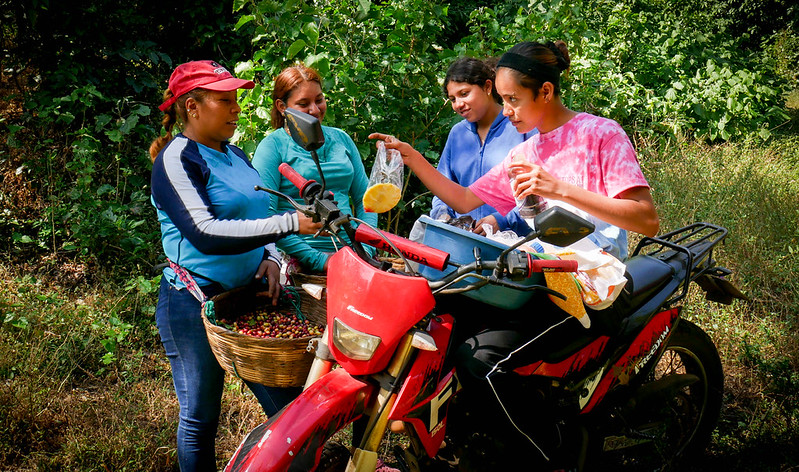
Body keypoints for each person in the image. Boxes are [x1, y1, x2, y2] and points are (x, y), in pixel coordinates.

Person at [370, 41, 659, 466]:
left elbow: (646, 219)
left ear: (545, 92)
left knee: (484, 363)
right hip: (537, 279)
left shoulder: (601, 133)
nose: (506, 111)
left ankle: (547, 457)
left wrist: (558, 188)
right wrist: (412, 158)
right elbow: (466, 200)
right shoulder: (524, 153)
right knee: (440, 327)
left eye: (512, 100)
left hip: (591, 287)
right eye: (502, 100)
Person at [149, 60, 322, 472]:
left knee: (291, 412)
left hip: (248, 298)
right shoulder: (177, 160)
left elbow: (248, 218)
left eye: (236, 99)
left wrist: (269, 258)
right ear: (192, 106)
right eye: (224, 100)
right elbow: (205, 232)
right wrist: (292, 223)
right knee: (200, 417)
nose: (236, 109)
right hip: (194, 304)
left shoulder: (236, 154)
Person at [251, 63, 377, 273]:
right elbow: (266, 216)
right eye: (303, 103)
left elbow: (366, 200)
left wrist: (365, 249)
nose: (315, 110)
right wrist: (320, 261)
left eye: (319, 100)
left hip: (355, 256)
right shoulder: (272, 147)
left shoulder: (341, 139)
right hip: (302, 262)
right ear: (283, 107)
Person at [434, 56, 534, 236]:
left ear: (488, 87)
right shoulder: (457, 134)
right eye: (452, 99)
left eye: (464, 94)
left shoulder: (521, 127)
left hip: (516, 246)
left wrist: (502, 220)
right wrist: (442, 216)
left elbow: (539, 193)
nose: (458, 104)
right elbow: (443, 187)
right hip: (464, 243)